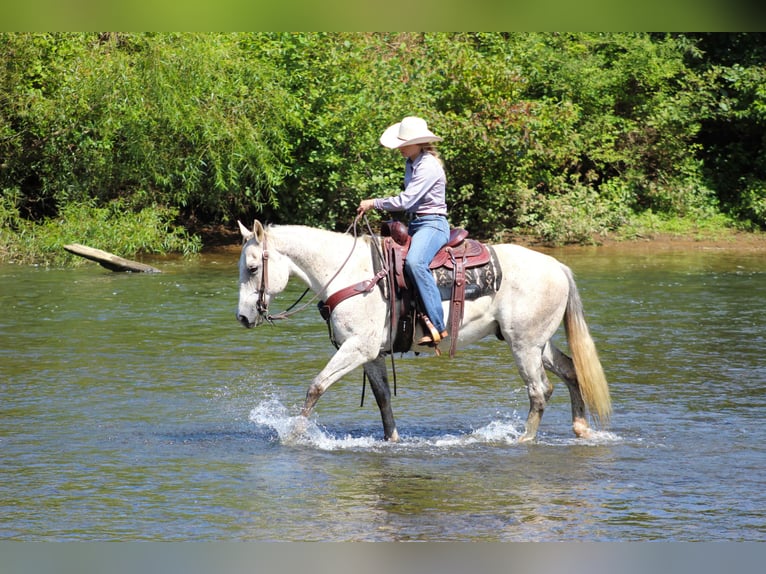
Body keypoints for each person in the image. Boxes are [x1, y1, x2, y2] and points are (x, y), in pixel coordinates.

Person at [357, 116, 450, 346]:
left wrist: (374, 203)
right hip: (418, 224)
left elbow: (407, 201)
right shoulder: (411, 162)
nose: (400, 147)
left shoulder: (427, 165)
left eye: (404, 143)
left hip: (433, 224)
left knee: (415, 263)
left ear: (418, 143)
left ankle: (438, 326)